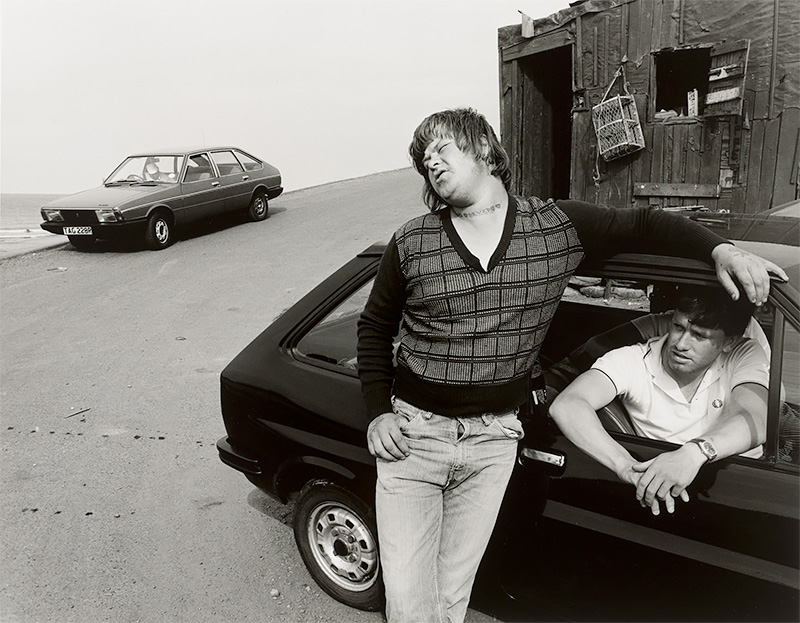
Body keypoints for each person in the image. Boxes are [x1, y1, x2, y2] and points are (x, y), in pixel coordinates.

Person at [356, 107, 786, 623]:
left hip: (493, 442)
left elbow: (645, 224)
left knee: (451, 597)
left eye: (442, 148)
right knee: (406, 602)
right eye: (424, 160)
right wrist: (379, 411)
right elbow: (375, 327)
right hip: (414, 435)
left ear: (487, 152)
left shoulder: (554, 226)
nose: (431, 162)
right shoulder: (412, 240)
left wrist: (721, 251)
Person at [549, 286, 769, 516]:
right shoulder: (634, 360)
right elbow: (568, 404)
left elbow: (756, 417)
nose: (681, 344)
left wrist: (692, 454)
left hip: (749, 484)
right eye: (678, 327)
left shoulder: (743, 353)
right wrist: (624, 465)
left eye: (699, 335)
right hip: (684, 500)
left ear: (729, 343)